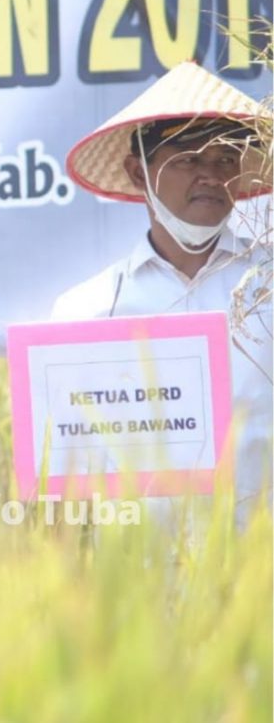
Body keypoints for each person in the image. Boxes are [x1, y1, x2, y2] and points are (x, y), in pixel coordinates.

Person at [53, 61, 272, 527]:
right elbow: (65, 482)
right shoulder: (86, 313)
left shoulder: (268, 289)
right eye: (189, 159)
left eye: (225, 159)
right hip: (140, 580)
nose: (211, 175)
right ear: (139, 172)